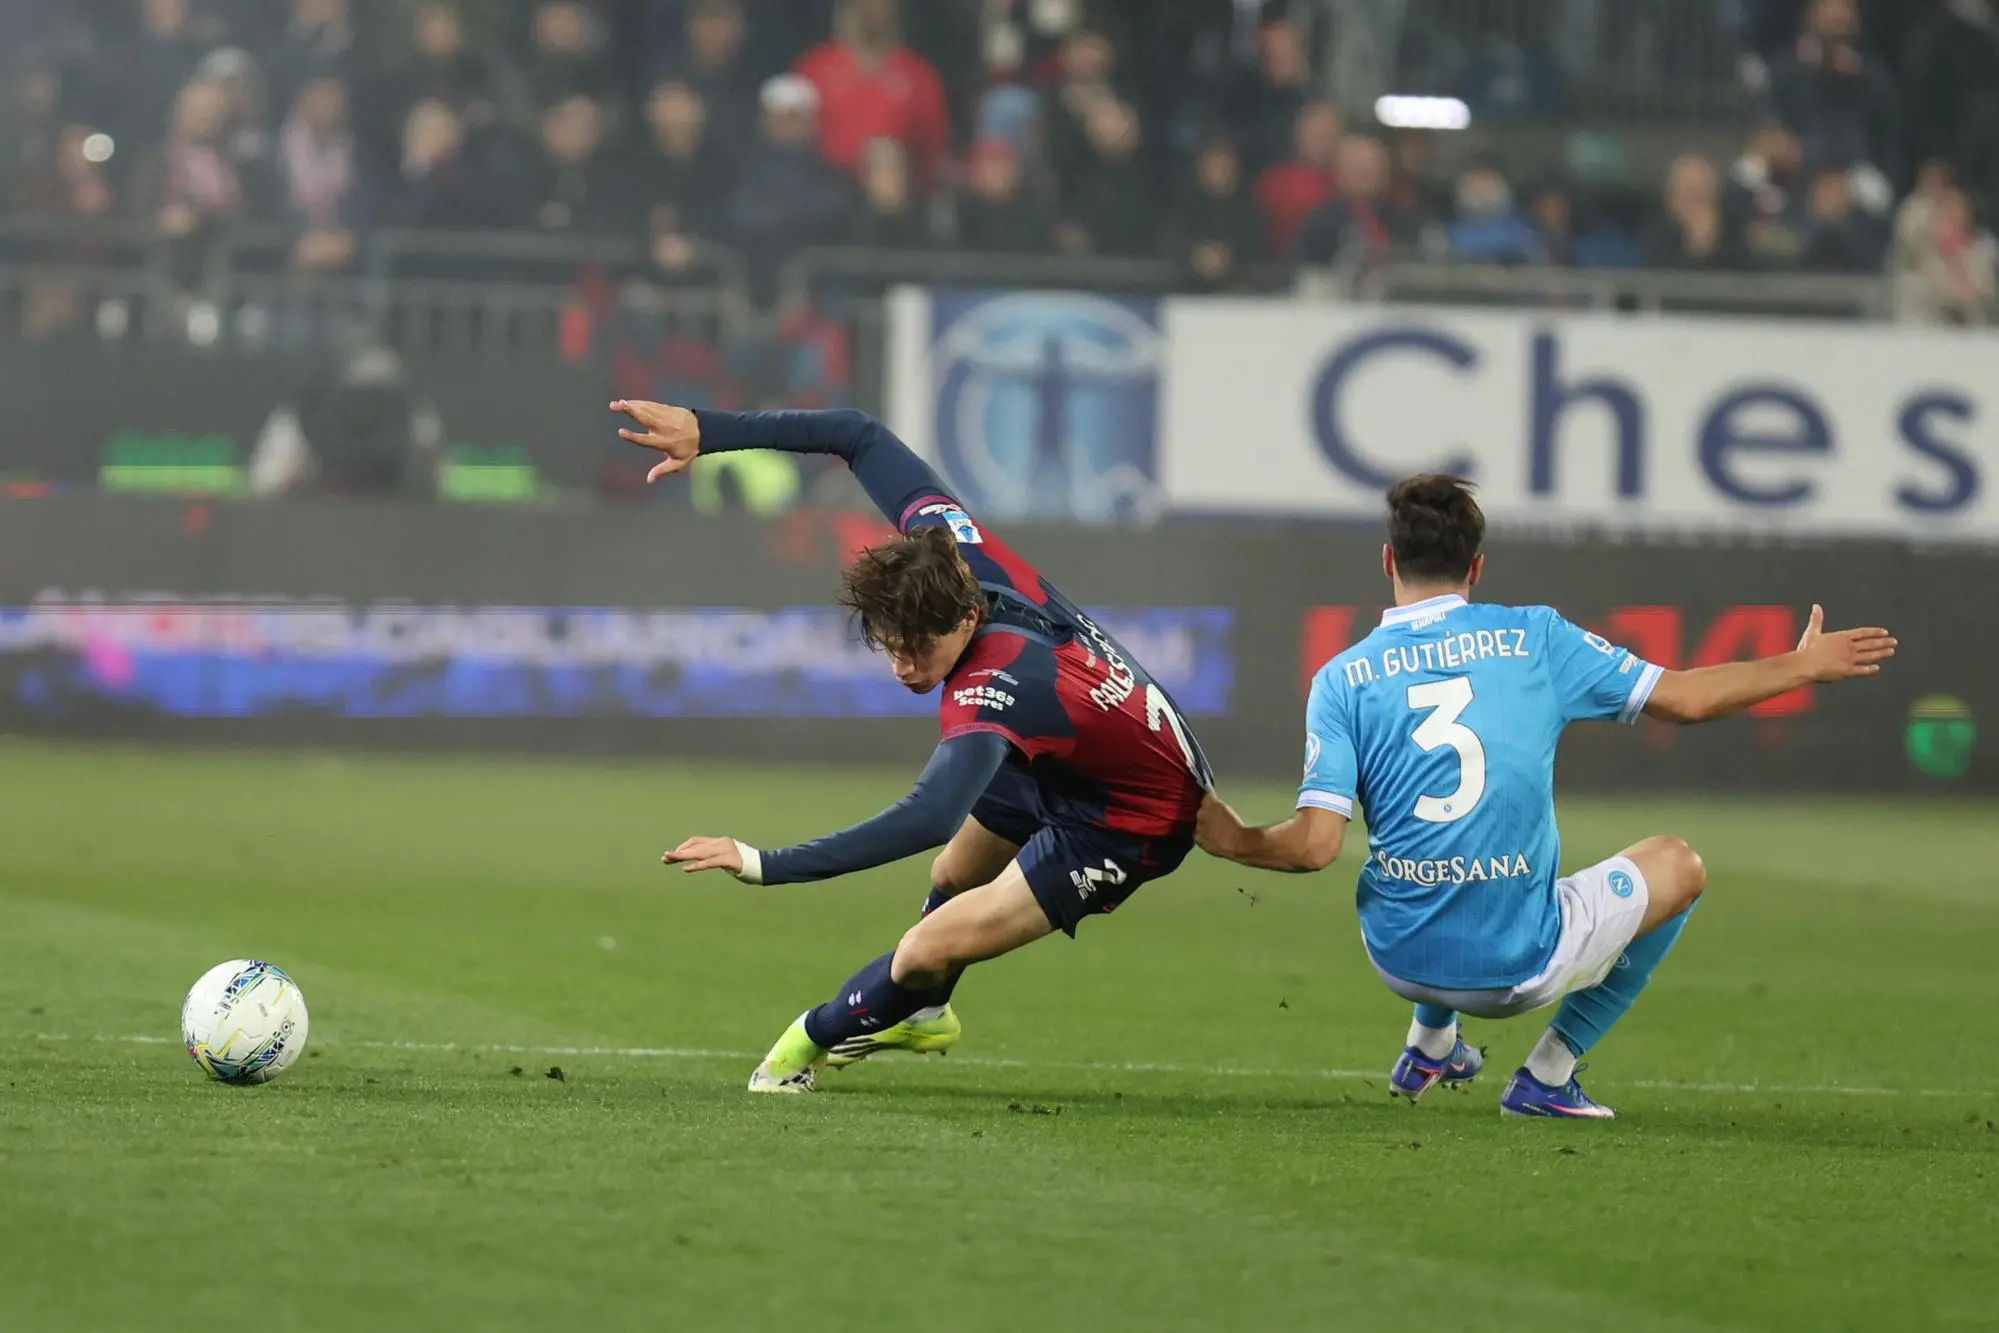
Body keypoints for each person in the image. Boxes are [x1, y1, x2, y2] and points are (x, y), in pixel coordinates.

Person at [1196, 476, 1894, 1119]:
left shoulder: (1340, 678)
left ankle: (1429, 1044)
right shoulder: (1533, 637)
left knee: (1426, 866)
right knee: (1677, 864)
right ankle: (1547, 1075)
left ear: (1387, 562)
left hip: (1396, 957)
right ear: (1475, 566)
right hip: (1513, 969)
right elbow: (1685, 699)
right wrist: (1800, 665)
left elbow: (1315, 847)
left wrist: (1231, 837)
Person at [608, 399, 1214, 1094]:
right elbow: (855, 433)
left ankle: (803, 1045)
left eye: (917, 647)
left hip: (1129, 812)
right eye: (889, 644)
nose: (901, 664)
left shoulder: (996, 681)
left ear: (964, 618)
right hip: (1070, 746)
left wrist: (761, 863)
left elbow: (928, 814)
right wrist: (709, 432)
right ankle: (924, 1008)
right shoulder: (950, 548)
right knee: (956, 876)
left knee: (927, 944)